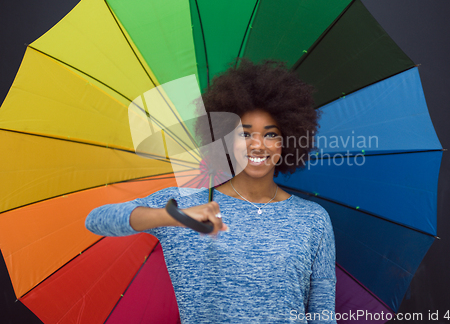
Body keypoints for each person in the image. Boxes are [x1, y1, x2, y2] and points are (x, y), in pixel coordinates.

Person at [85, 59, 337, 324]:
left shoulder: (313, 220)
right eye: (245, 134)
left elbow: (323, 314)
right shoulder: (186, 204)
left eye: (271, 134)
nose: (258, 145)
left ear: (288, 140)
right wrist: (174, 217)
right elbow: (97, 219)